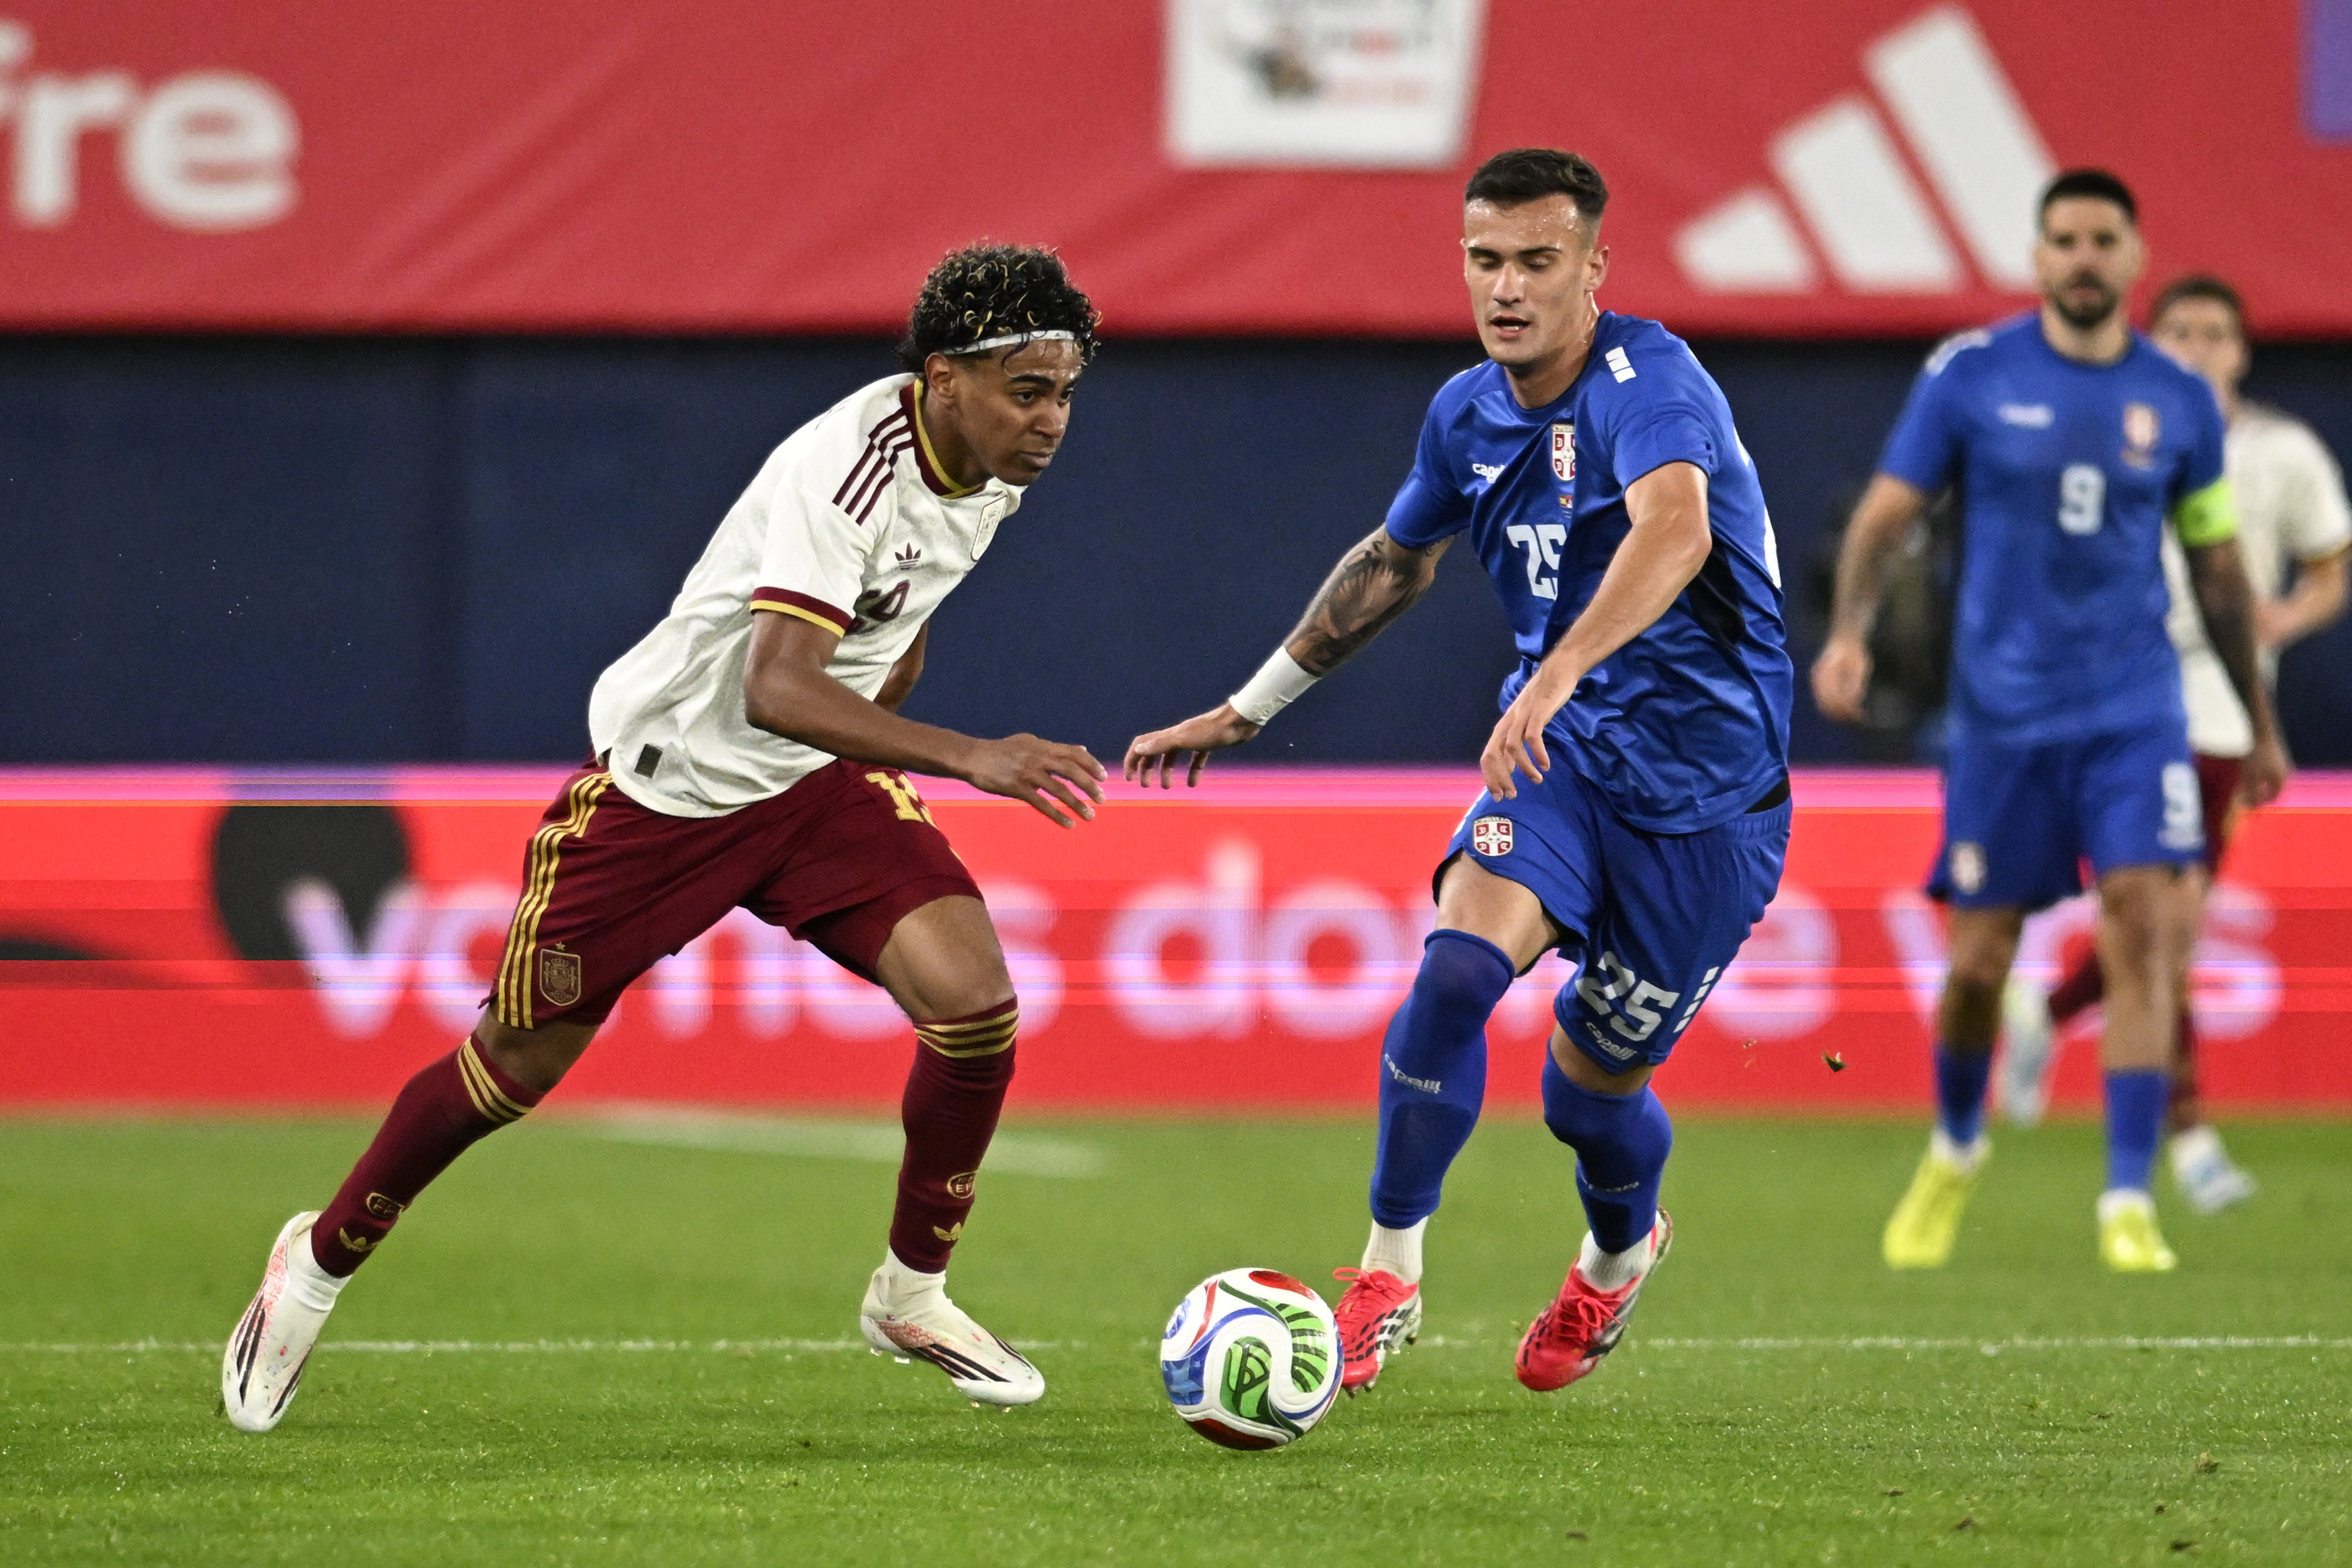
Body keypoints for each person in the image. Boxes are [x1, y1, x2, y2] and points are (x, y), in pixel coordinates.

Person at [221, 245, 1109, 1431]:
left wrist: (887, 726)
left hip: (809, 791)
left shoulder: (988, 474)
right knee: (509, 1073)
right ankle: (314, 1267)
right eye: (1027, 394)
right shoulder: (844, 470)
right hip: (664, 795)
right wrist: (971, 758)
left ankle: (910, 1293)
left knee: (976, 1005)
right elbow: (774, 687)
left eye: (1064, 394)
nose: (1052, 422)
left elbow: (891, 629)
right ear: (945, 377)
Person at [1125, 148, 1792, 1395]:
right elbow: (1394, 560)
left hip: (1707, 802)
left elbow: (1675, 528)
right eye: (1484, 259)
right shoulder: (1465, 412)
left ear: (1594, 270)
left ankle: (1616, 1251)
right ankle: (1384, 1273)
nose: (1507, 287)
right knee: (1454, 973)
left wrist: (1553, 668)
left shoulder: (1648, 383)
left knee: (1587, 1097)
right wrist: (1247, 706)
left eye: (1538, 261)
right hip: (1561, 764)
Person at [1813, 172, 2288, 1276]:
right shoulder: (1972, 376)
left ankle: (2127, 1196)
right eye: (2063, 239)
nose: (2082, 256)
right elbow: (1887, 516)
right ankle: (1955, 1147)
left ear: (2134, 258)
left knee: (2142, 933)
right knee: (1980, 963)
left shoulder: (2176, 399)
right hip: (2002, 721)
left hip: (2133, 711)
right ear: (2037, 257)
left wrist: (2257, 724)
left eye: (2102, 240)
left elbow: (2218, 571)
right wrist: (1849, 635)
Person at [2001, 274, 2352, 1209]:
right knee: (2160, 917)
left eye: (2216, 333)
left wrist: (2282, 618)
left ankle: (2053, 1004)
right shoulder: (2113, 435)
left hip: (2228, 704)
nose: (2198, 347)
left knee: (2169, 926)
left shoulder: (2283, 452)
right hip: (2123, 698)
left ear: (2241, 351)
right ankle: (2191, 1140)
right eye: (2181, 330)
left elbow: (2330, 566)